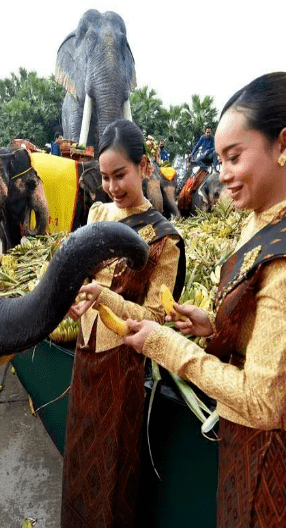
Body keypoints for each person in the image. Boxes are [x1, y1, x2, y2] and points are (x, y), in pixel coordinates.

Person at [123, 72, 286, 528]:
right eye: (219, 158)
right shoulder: (264, 219)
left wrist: (164, 345)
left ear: (284, 146)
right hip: (246, 443)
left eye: (234, 157)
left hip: (273, 457)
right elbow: (260, 329)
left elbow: (264, 403)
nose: (221, 174)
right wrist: (212, 323)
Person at [60, 119, 186, 528]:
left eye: (121, 175)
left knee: (112, 464)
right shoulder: (98, 212)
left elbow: (157, 317)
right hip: (85, 356)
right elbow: (77, 271)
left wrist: (107, 298)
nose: (112, 186)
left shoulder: (163, 239)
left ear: (144, 166)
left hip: (122, 366)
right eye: (107, 176)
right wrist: (73, 297)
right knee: (80, 456)